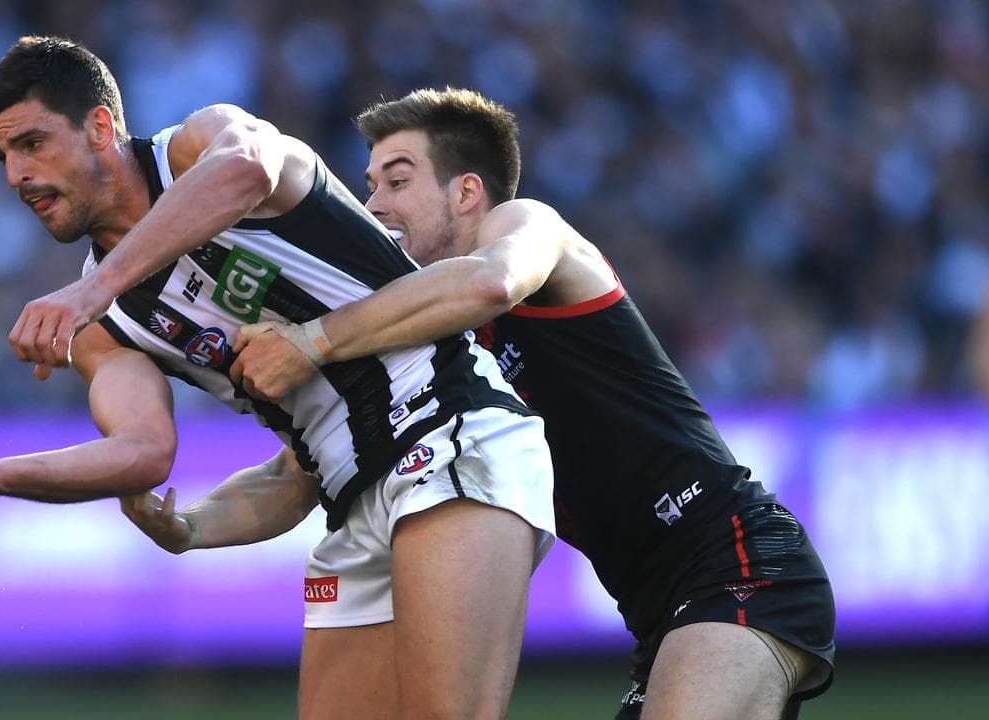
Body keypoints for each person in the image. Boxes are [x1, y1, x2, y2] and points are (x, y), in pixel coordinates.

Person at [0, 38, 556, 720]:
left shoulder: (197, 148)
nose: (17, 175)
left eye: (32, 143)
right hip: (348, 499)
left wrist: (93, 292)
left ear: (101, 127)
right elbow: (143, 452)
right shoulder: (103, 327)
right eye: (2, 155)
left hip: (450, 428)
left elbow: (248, 168)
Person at [127, 88, 836, 720]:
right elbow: (300, 473)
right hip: (657, 612)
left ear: (467, 194)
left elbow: (493, 284)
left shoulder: (531, 228)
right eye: (368, 184)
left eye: (397, 180)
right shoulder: (405, 336)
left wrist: (312, 340)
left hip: (740, 561)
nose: (372, 205)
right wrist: (190, 527)